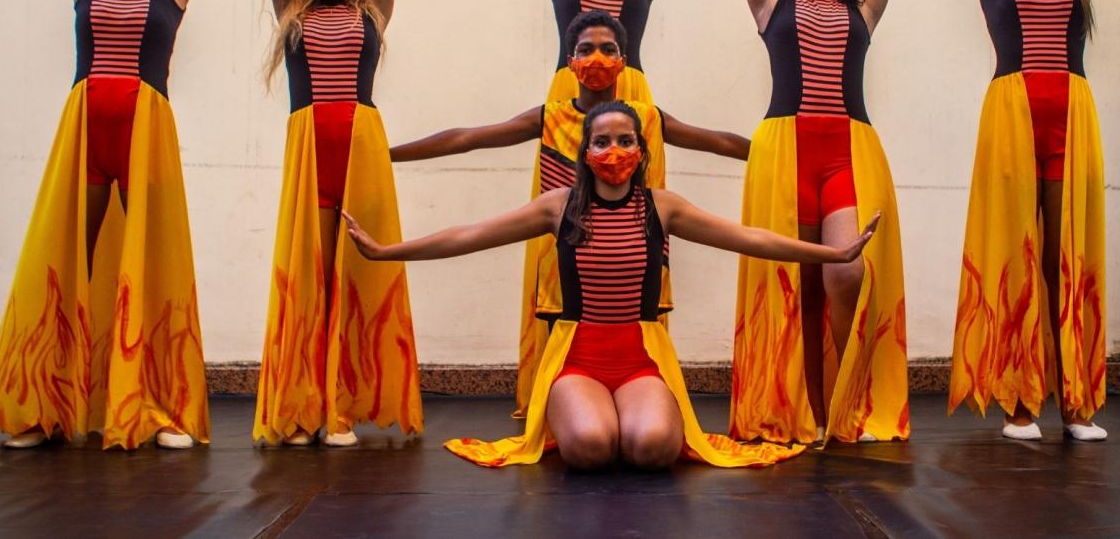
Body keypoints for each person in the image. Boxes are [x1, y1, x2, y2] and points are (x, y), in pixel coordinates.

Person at [345, 102, 880, 469]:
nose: (614, 150)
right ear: (585, 150)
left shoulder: (662, 206)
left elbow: (749, 238)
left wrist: (832, 253)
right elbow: (469, 235)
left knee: (651, 450)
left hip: (642, 355)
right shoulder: (559, 207)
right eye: (602, 141)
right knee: (590, 448)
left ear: (641, 150)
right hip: (577, 356)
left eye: (626, 140)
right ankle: (588, 416)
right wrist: (388, 251)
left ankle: (630, 415)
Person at [0, 0, 208, 450]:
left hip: (145, 130)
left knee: (149, 264)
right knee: (66, 266)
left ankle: (156, 405)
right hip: (86, 132)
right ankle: (42, 407)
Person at [390, 9, 749, 416]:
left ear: (623, 61)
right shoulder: (550, 115)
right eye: (586, 49)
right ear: (570, 60)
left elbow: (714, 141)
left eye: (608, 49)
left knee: (641, 352)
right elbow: (467, 138)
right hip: (567, 259)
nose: (597, 58)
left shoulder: (646, 117)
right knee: (567, 356)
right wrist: (388, 155)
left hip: (634, 257)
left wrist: (769, 153)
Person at [730, 0, 909, 445]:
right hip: (784, 149)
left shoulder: (864, 7)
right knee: (793, 283)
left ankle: (842, 404)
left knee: (844, 275)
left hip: (848, 151)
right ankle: (798, 412)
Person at [948, 0, 1107, 442]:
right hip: (1012, 114)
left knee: (1064, 254)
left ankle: (1076, 402)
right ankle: (1021, 400)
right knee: (1019, 251)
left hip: (1071, 110)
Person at [255, 0, 421, 446]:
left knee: (356, 272)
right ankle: (303, 405)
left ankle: (344, 405)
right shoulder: (291, 9)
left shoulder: (373, 10)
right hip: (309, 148)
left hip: (360, 146)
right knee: (311, 275)